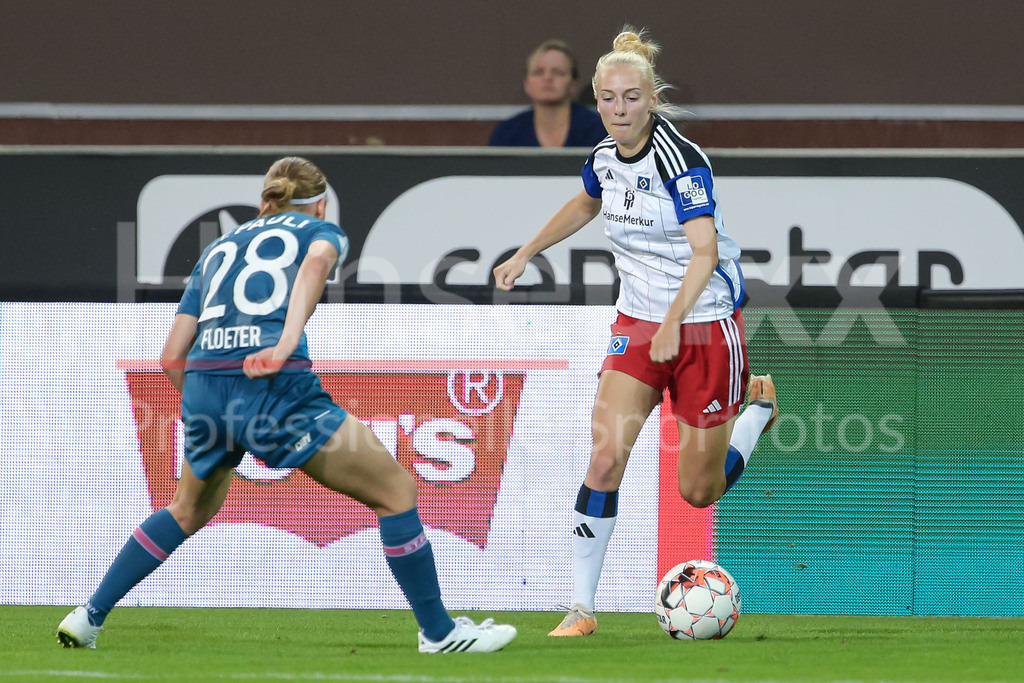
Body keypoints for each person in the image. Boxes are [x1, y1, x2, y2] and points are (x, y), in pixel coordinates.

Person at [57, 157, 517, 654]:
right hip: (274, 386)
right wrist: (282, 345)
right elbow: (317, 262)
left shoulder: (216, 248)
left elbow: (171, 355)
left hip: (205, 386)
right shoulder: (322, 231)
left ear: (264, 201)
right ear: (319, 202)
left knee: (187, 508)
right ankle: (440, 633)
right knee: (396, 490)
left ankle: (89, 616)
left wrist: (206, 406)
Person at [493, 28, 779, 637]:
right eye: (607, 99)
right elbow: (586, 202)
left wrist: (674, 323)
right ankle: (581, 608)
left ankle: (754, 415)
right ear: (594, 101)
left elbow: (703, 253)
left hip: (703, 328)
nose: (618, 110)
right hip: (636, 326)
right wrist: (525, 252)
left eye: (630, 98)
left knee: (698, 492)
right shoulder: (602, 157)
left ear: (652, 100)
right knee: (605, 455)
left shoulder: (681, 161)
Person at [489, 39, 607, 148]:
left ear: (573, 84)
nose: (548, 78)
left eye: (558, 72)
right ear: (526, 84)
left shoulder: (598, 129)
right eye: (538, 72)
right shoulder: (507, 132)